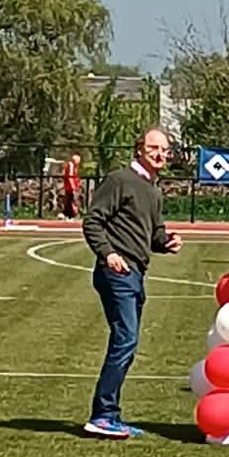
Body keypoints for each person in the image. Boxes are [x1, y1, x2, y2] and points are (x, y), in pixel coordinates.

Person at [80, 128, 182, 437]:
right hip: (117, 273)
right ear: (139, 149)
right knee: (125, 340)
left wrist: (167, 241)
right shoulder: (120, 180)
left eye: (164, 150)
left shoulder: (153, 189)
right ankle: (102, 415)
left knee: (127, 341)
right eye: (153, 148)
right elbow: (93, 221)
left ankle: (109, 414)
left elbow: (153, 233)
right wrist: (108, 253)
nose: (160, 154)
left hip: (135, 272)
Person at [60, 152, 82, 220]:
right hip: (70, 187)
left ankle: (67, 214)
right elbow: (70, 176)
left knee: (70, 199)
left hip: (70, 186)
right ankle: (70, 215)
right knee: (71, 200)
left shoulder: (74, 166)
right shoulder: (71, 165)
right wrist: (73, 187)